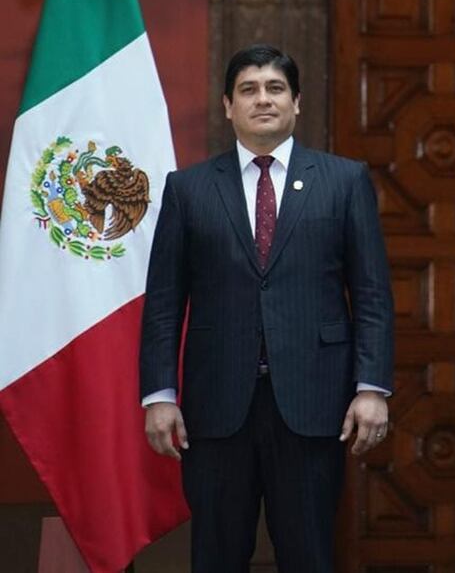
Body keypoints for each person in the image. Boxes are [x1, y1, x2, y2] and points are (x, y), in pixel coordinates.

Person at [140, 44, 394, 572]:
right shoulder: (187, 190)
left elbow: (370, 293)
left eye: (275, 89)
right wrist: (160, 394)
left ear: (297, 102)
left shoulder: (344, 181)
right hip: (215, 410)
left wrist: (371, 388)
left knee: (308, 556)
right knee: (216, 556)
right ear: (227, 105)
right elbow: (165, 302)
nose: (263, 100)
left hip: (313, 404)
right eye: (249, 90)